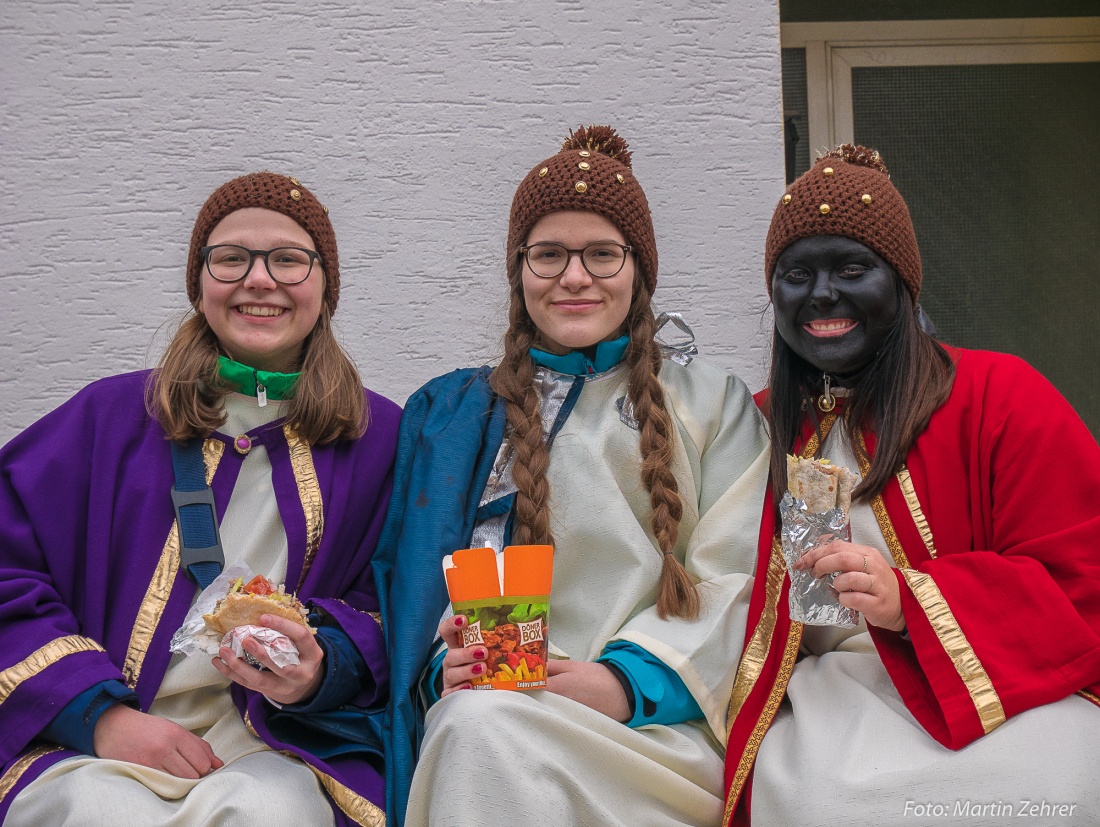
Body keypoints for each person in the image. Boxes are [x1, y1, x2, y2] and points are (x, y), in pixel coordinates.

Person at [373, 125, 769, 827]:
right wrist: (446, 665)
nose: (575, 277)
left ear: (639, 270)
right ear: (519, 270)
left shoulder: (713, 404)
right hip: (497, 700)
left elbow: (737, 575)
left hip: (655, 738)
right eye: (549, 254)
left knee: (479, 729)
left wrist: (624, 682)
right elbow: (412, 584)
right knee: (474, 723)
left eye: (602, 254)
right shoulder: (454, 414)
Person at [0, 172, 399, 826]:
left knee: (275, 811)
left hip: (280, 745)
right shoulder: (107, 417)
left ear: (326, 287)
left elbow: (399, 603)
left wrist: (321, 664)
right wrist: (99, 717)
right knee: (97, 807)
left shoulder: (379, 437)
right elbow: (7, 572)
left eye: (289, 260)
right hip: (96, 738)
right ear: (200, 282)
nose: (259, 280)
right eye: (231, 258)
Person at [722, 146, 1100, 826]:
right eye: (797, 273)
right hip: (824, 696)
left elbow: (1082, 575)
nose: (823, 294)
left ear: (902, 282)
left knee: (1049, 787)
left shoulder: (1000, 394)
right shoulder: (750, 428)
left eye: (852, 268)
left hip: (996, 685)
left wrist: (911, 598)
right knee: (820, 799)